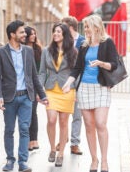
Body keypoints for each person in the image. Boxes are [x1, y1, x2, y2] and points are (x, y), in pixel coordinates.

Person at [62, 15, 119, 172]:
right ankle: (94, 160)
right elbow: (77, 68)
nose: (85, 30)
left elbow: (114, 64)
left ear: (96, 27)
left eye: (87, 27)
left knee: (100, 123)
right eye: (84, 27)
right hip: (85, 88)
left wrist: (101, 63)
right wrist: (68, 83)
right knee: (89, 125)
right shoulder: (84, 45)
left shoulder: (107, 42)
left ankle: (105, 160)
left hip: (101, 88)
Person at [0, 20, 48, 172]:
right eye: (22, 32)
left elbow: (33, 76)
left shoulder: (28, 51)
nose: (25, 34)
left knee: (24, 128)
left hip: (26, 97)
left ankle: (23, 162)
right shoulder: (0, 53)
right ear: (12, 34)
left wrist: (42, 95)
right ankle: (10, 160)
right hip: (9, 98)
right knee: (9, 129)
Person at [38, 23, 78, 167]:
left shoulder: (73, 52)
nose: (55, 33)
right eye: (54, 31)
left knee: (63, 122)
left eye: (58, 31)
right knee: (52, 119)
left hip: (67, 91)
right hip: (50, 90)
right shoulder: (46, 51)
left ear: (65, 34)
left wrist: (75, 90)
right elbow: (42, 72)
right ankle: (52, 149)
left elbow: (76, 72)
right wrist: (39, 91)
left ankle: (61, 153)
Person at [54, 16, 85, 155]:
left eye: (63, 27)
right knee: (63, 113)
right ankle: (63, 138)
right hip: (63, 81)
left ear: (70, 27)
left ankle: (74, 143)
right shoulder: (61, 42)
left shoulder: (83, 42)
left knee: (77, 113)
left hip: (79, 80)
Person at [24, 26, 42, 151]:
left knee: (33, 112)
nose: (33, 36)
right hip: (23, 85)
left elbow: (40, 70)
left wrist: (39, 88)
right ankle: (28, 140)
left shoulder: (38, 49)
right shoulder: (21, 49)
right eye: (31, 34)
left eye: (35, 34)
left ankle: (34, 139)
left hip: (34, 85)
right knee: (26, 113)